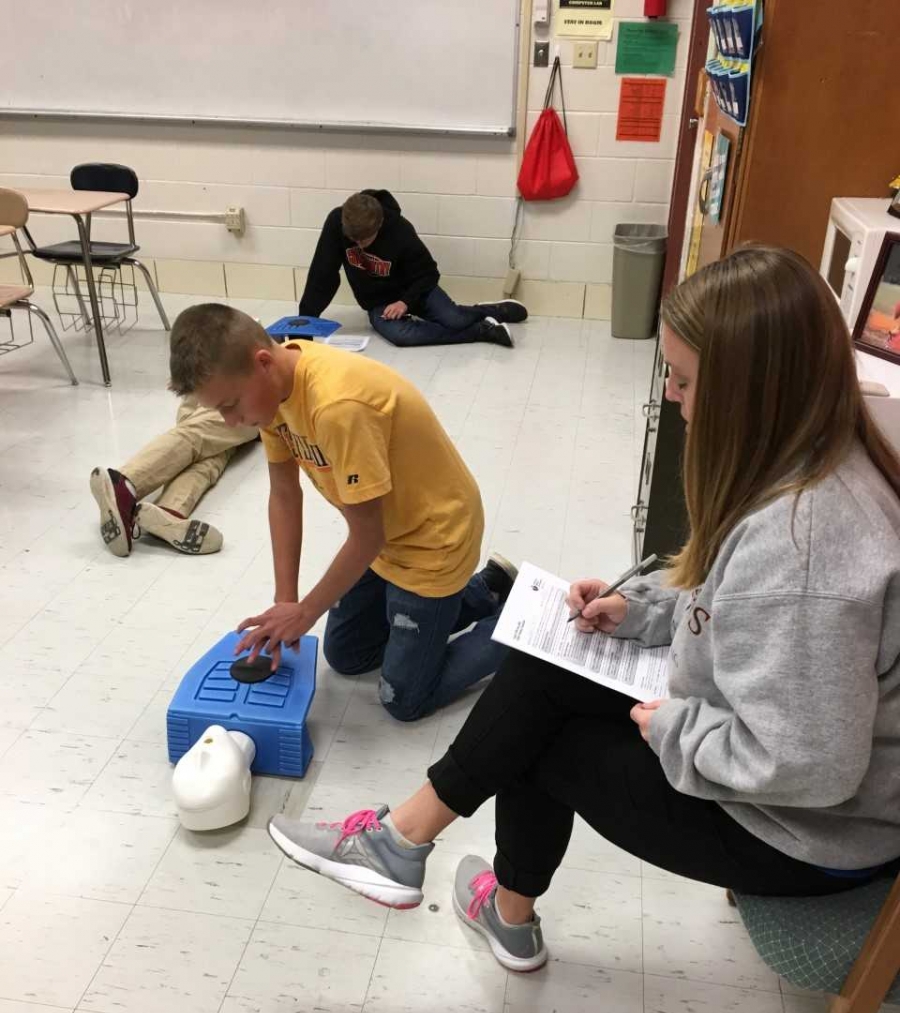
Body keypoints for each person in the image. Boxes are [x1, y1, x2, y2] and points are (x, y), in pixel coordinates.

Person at [266, 245, 900, 973]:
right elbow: (727, 599)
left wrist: (675, 727)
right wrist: (638, 611)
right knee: (546, 667)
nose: (672, 398)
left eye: (686, 381)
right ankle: (407, 846)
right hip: (775, 768)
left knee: (533, 742)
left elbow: (811, 768)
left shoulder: (804, 546)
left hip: (807, 835)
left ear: (751, 393)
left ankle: (454, 880)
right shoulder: (806, 462)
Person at [168, 302, 516, 721]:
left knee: (402, 699)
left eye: (229, 405)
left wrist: (306, 611)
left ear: (262, 363)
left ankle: (525, 627)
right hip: (387, 538)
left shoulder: (336, 406)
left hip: (433, 540)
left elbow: (367, 535)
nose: (228, 422)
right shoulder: (272, 393)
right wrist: (286, 602)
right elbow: (283, 494)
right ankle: (489, 587)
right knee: (347, 655)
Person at [298, 189, 528, 350]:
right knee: (402, 336)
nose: (357, 245)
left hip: (416, 290)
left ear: (379, 225)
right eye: (352, 239)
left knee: (454, 319)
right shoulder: (336, 222)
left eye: (364, 240)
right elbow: (322, 274)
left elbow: (429, 273)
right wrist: (304, 325)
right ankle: (481, 331)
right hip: (380, 303)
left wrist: (405, 302)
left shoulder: (400, 230)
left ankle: (489, 311)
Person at [89, 397, 258, 556]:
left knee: (211, 452)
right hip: (239, 381)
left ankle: (168, 511)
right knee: (206, 429)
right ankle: (125, 484)